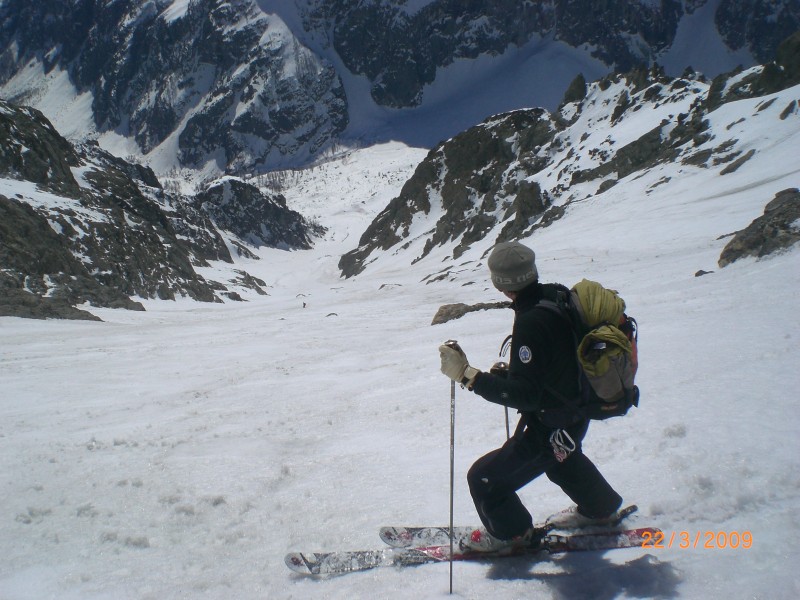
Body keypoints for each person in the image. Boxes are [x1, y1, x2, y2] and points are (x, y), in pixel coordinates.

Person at [439, 241, 624, 551]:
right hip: (576, 413)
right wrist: (514, 375)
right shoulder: (557, 296)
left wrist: (468, 376)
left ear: (501, 283)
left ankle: (512, 535)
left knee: (485, 480)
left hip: (550, 424)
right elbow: (555, 360)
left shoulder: (530, 320)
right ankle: (601, 509)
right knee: (561, 460)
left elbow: (526, 396)